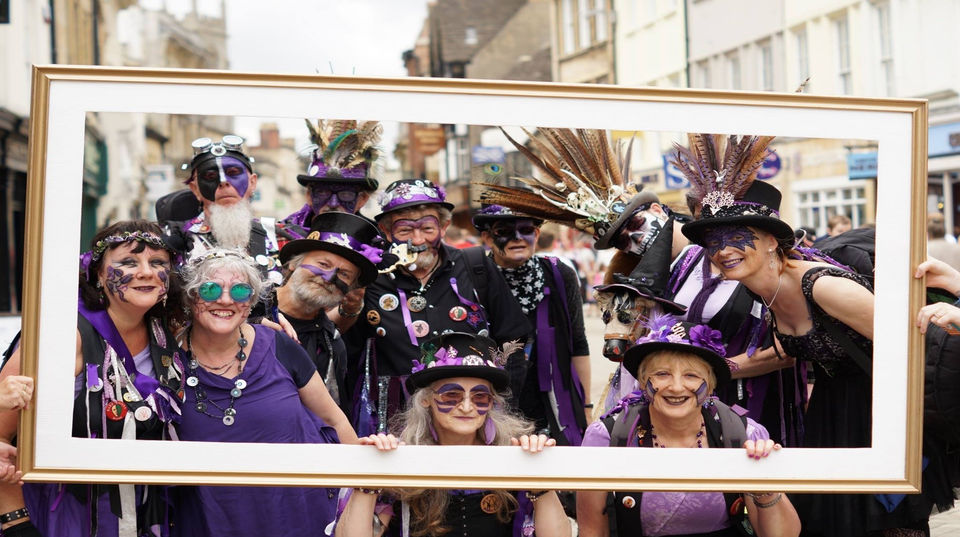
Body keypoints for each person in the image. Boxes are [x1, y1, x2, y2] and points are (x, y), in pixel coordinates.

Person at [680, 162, 939, 536]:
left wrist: (900, 431)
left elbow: (911, 343)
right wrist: (712, 369)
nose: (723, 250)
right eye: (714, 242)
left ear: (772, 240)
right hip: (832, 413)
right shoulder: (762, 288)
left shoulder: (821, 285)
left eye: (737, 236)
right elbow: (791, 351)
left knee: (889, 523)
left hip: (881, 413)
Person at [0, 220, 185, 537]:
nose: (146, 271)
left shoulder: (167, 332)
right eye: (128, 262)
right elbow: (2, 440)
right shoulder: (63, 334)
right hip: (65, 518)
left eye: (158, 263)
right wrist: (16, 523)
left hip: (146, 516)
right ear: (98, 274)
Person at [172, 248, 358, 536]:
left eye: (240, 291)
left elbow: (335, 421)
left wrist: (364, 488)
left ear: (250, 304)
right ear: (191, 297)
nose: (225, 300)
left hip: (298, 515)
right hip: (212, 519)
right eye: (209, 290)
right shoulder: (167, 360)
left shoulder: (279, 345)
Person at [577, 315, 800, 537]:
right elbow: (592, 531)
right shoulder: (606, 437)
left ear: (710, 384)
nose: (676, 387)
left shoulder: (745, 435)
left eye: (691, 375)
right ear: (644, 382)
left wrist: (766, 486)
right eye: (662, 374)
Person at [336, 332, 572, 537]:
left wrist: (540, 476)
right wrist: (369, 477)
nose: (467, 407)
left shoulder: (513, 456)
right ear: (426, 399)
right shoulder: (400, 459)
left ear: (492, 403)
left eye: (480, 397)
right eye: (452, 396)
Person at [343, 179, 531, 435]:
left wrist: (501, 401)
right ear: (387, 233)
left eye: (427, 227)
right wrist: (350, 307)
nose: (418, 239)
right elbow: (348, 351)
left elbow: (514, 339)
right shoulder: (372, 276)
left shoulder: (475, 266)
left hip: (472, 413)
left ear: (444, 227)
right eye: (405, 230)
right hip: (396, 419)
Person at [473, 204, 590, 446]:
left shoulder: (559, 274)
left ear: (536, 234)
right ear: (486, 238)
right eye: (503, 230)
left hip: (551, 401)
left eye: (525, 229)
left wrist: (586, 406)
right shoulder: (473, 277)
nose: (517, 238)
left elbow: (578, 341)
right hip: (492, 401)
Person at [270, 212, 384, 416]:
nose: (329, 277)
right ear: (293, 264)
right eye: (323, 264)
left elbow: (331, 417)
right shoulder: (245, 308)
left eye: (344, 274)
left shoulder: (331, 345)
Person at [164, 135, 284, 285]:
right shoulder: (173, 239)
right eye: (210, 176)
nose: (223, 182)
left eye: (233, 173)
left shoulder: (278, 235)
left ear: (252, 182)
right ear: (195, 189)